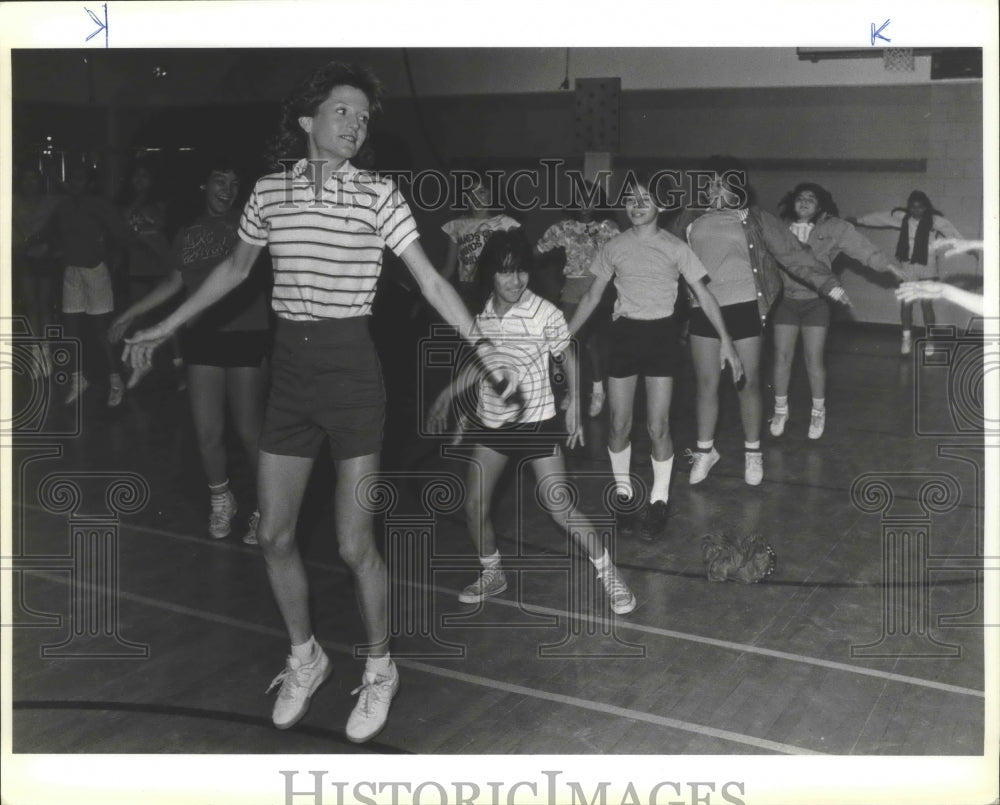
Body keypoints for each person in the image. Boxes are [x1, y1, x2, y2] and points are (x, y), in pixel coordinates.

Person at [123, 61, 516, 744]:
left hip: (353, 374)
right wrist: (163, 325)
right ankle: (305, 656)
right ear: (308, 120)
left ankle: (381, 666)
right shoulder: (269, 192)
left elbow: (427, 279)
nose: (357, 126)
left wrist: (484, 344)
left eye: (365, 118)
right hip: (292, 374)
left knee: (352, 541)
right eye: (344, 112)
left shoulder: (381, 195)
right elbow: (234, 270)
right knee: (273, 533)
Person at [427, 230, 636, 613]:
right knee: (474, 504)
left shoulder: (544, 312)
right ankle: (493, 572)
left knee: (559, 505)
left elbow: (568, 354)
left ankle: (610, 575)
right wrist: (451, 393)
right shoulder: (484, 315)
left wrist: (574, 399)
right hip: (493, 424)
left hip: (538, 422)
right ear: (490, 274)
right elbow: (482, 364)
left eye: (521, 271)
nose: (515, 280)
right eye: (505, 272)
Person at [566, 178, 743, 542]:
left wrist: (727, 341)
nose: (637, 204)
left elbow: (704, 296)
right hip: (625, 337)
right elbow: (591, 297)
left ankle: (659, 500)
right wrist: (562, 336)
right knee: (618, 424)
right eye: (631, 199)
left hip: (662, 338)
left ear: (659, 207)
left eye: (644, 199)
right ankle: (623, 494)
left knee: (658, 427)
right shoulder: (613, 246)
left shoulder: (676, 247)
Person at [109, 158, 270, 544]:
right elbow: (173, 282)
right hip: (202, 336)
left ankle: (267, 507)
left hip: (244, 332)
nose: (227, 188)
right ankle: (222, 500)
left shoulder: (249, 225)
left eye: (234, 181)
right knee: (207, 431)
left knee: (249, 431)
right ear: (205, 184)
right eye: (220, 179)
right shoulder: (188, 232)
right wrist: (131, 313)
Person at [683, 157, 849, 486]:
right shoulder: (692, 220)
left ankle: (753, 452)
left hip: (744, 305)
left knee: (747, 383)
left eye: (722, 183)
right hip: (704, 308)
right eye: (710, 183)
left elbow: (793, 253)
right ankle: (705, 452)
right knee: (705, 385)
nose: (714, 189)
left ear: (736, 188)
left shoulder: (755, 219)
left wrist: (828, 283)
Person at [770, 182, 905, 440]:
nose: (805, 201)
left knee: (813, 360)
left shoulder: (834, 228)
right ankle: (780, 410)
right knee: (782, 358)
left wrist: (886, 264)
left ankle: (818, 412)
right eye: (800, 197)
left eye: (811, 198)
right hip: (786, 301)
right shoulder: (779, 228)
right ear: (792, 202)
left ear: (820, 205)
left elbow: (862, 248)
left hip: (816, 303)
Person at [535, 180, 620, 417]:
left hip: (598, 290)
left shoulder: (608, 227)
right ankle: (571, 392)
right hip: (572, 289)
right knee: (565, 342)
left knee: (592, 343)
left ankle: (598, 389)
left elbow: (624, 257)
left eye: (591, 199)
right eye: (581, 199)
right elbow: (537, 251)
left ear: (598, 202)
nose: (585, 205)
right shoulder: (563, 228)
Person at [47, 164, 129, 407]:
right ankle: (78, 380)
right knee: (70, 329)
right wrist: (55, 250)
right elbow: (54, 235)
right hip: (71, 272)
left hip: (95, 272)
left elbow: (120, 234)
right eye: (72, 178)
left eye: (80, 178)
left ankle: (116, 382)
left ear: (89, 182)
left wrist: (110, 261)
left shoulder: (99, 204)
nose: (75, 182)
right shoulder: (63, 207)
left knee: (101, 331)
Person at [855, 190, 963, 355]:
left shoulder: (935, 221)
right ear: (909, 208)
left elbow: (952, 232)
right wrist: (858, 220)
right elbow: (881, 218)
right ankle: (906, 339)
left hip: (928, 266)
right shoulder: (903, 218)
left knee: (926, 304)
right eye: (913, 208)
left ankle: (929, 340)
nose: (916, 211)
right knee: (906, 303)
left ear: (926, 207)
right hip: (907, 266)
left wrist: (967, 247)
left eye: (920, 207)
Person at [115, 159, 185, 387]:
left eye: (144, 176)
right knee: (138, 316)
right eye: (136, 176)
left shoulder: (159, 204)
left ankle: (178, 364)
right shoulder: (125, 205)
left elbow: (158, 227)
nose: (139, 180)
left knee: (168, 318)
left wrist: (141, 228)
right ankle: (140, 363)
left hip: (161, 268)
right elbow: (125, 229)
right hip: (137, 268)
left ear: (152, 180)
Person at [440, 175, 520, 310]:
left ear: (492, 194)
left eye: (481, 192)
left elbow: (516, 264)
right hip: (467, 288)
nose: (475, 197)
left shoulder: (505, 223)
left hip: (495, 288)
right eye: (471, 193)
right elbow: (449, 268)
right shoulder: (456, 225)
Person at [11, 167, 60, 376]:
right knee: (31, 305)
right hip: (23, 257)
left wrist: (47, 246)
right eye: (26, 178)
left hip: (45, 257)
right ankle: (34, 355)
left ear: (40, 181)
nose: (30, 183)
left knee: (44, 304)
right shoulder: (12, 201)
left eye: (33, 178)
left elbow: (58, 230)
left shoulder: (51, 202)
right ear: (20, 182)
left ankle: (46, 353)